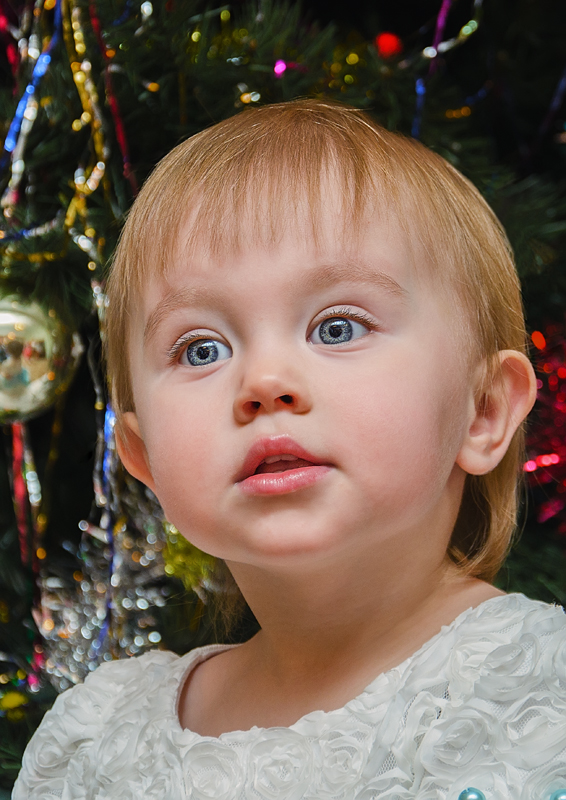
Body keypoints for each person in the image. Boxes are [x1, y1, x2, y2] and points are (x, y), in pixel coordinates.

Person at [12, 99, 566, 800]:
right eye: (201, 348)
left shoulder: (541, 694)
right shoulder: (95, 743)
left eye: (337, 328)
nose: (264, 382)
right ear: (146, 461)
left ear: (481, 412)